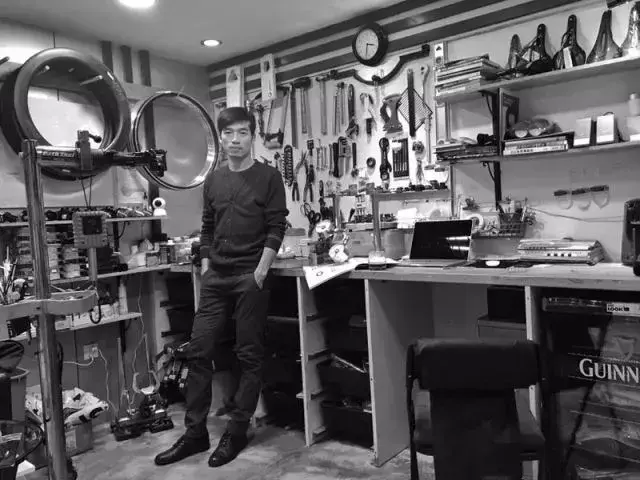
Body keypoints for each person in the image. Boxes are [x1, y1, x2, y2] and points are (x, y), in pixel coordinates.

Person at [154, 107, 288, 468]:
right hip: (216, 277)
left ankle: (237, 430)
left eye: (242, 133)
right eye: (228, 133)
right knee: (199, 350)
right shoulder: (213, 180)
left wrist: (261, 270)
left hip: (250, 276)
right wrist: (207, 265)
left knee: (248, 355)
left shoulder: (269, 177)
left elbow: (277, 226)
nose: (235, 140)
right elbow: (208, 225)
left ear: (252, 136)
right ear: (221, 138)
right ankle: (195, 433)